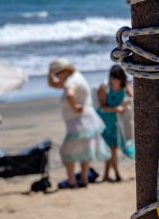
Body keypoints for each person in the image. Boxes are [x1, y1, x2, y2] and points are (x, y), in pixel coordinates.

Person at [49, 59, 109, 189]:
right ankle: (83, 180)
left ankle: (71, 181)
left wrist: (75, 106)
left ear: (63, 72)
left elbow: (70, 94)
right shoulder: (75, 77)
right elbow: (53, 84)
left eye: (56, 73)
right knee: (84, 150)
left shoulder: (71, 80)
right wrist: (50, 69)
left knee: (65, 151)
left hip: (80, 121)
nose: (56, 76)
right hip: (87, 120)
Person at [96, 65, 134, 183]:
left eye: (118, 79)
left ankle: (106, 175)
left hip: (118, 122)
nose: (116, 81)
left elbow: (133, 98)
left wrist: (127, 102)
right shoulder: (104, 87)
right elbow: (102, 107)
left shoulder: (125, 86)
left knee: (111, 148)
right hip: (105, 120)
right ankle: (117, 174)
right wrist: (116, 109)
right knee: (111, 148)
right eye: (114, 79)